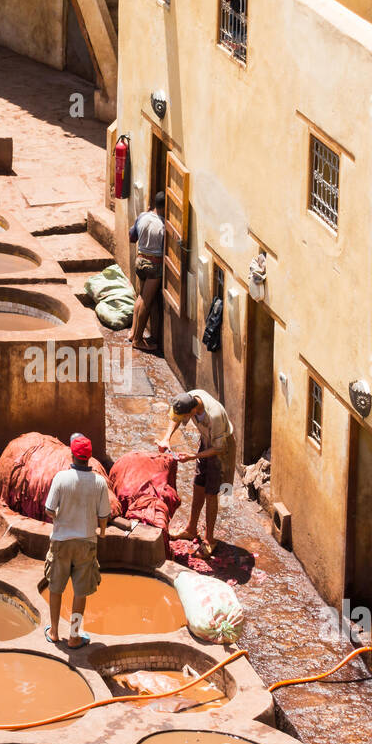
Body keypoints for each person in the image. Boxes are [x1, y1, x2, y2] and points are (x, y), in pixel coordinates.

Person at [42, 433, 110, 649]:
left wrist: (61, 517)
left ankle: (53, 631)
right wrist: (103, 532)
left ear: (72, 455)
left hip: (62, 541)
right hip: (87, 543)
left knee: (55, 587)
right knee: (80, 592)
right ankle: (74, 636)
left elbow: (49, 510)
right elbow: (103, 515)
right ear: (89, 457)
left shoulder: (61, 478)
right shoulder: (99, 482)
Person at [158, 390, 235, 554]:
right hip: (207, 441)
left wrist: (193, 456)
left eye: (185, 417)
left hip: (221, 449)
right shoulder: (188, 398)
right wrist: (167, 437)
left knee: (211, 493)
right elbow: (175, 417)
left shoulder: (213, 415)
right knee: (198, 485)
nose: (184, 420)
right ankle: (191, 529)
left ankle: (209, 540)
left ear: (193, 411)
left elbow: (220, 448)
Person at [127, 191, 166, 352]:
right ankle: (137, 340)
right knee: (146, 302)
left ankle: (132, 332)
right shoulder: (164, 226)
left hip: (139, 260)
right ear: (165, 207)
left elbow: (132, 236)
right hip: (153, 266)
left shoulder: (143, 216)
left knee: (140, 297)